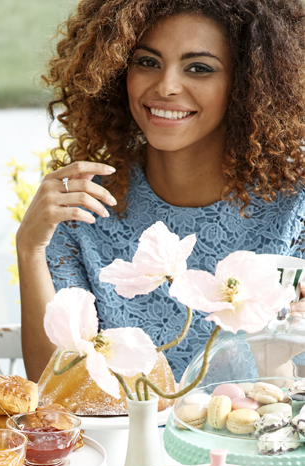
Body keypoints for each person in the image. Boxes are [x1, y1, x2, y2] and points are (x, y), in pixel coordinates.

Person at [17, 0, 305, 383]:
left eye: (199, 68)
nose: (166, 86)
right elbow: (53, 389)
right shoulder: (85, 205)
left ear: (249, 82)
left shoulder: (295, 206)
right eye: (147, 62)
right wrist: (30, 249)